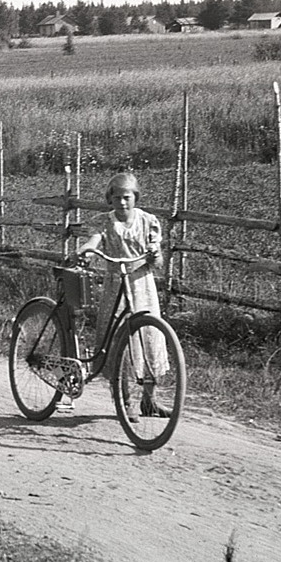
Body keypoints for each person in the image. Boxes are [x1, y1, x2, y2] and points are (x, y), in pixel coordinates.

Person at [75, 172, 169, 418]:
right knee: (119, 344)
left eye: (127, 197)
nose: (122, 203)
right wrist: (87, 250)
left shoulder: (148, 221)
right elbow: (95, 241)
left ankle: (150, 400)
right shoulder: (105, 222)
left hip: (142, 287)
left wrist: (154, 255)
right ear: (110, 200)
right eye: (117, 198)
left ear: (135, 197)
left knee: (149, 339)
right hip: (115, 286)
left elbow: (158, 262)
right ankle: (123, 401)